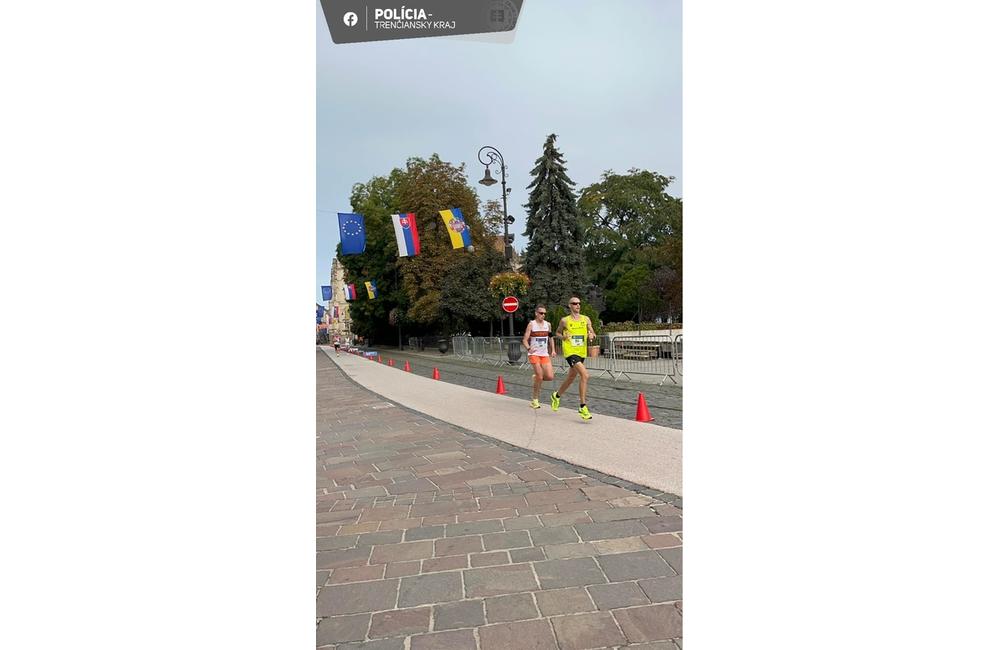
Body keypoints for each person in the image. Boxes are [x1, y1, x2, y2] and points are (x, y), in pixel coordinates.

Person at [552, 296, 597, 420]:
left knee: (571, 377)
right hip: (570, 352)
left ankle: (556, 396)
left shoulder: (586, 319)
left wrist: (591, 335)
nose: (578, 305)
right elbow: (557, 333)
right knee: (585, 375)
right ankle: (582, 406)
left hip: (581, 352)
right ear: (570, 305)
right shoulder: (564, 321)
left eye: (579, 303)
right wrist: (563, 338)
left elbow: (592, 332)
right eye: (575, 303)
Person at [521, 304, 555, 409]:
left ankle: (536, 378)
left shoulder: (548, 324)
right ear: (536, 313)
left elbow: (550, 338)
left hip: (544, 354)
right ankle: (535, 400)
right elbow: (525, 340)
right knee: (540, 375)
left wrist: (553, 350)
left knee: (550, 377)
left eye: (545, 313)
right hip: (534, 353)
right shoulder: (531, 324)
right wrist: (528, 348)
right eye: (541, 313)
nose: (543, 315)